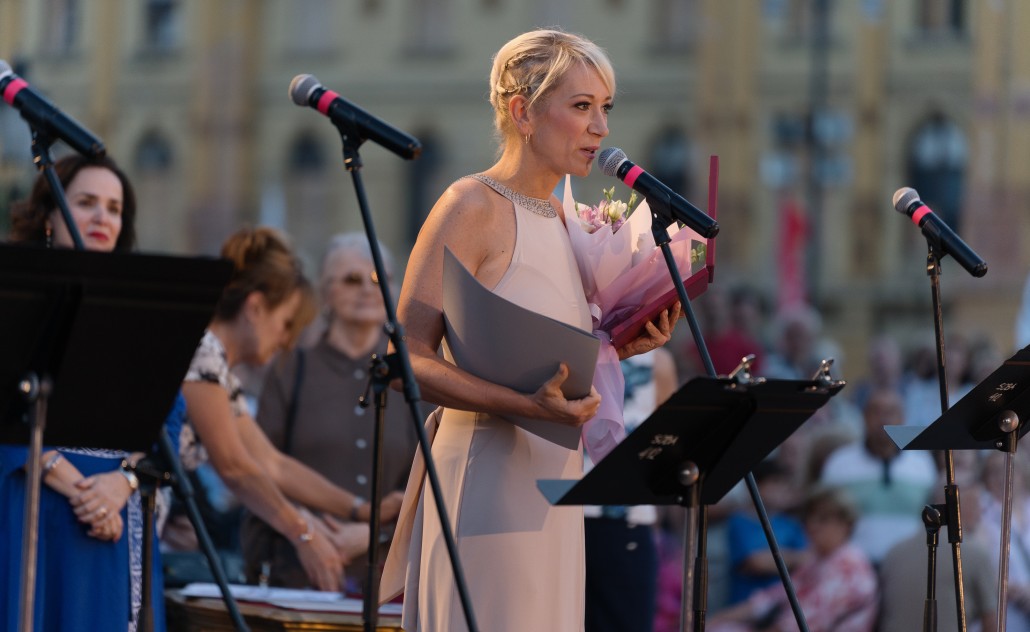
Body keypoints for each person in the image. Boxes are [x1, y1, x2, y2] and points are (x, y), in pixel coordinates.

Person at [380, 28, 679, 631]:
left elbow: (544, 355)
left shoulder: (567, 221)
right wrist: (521, 405)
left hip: (555, 488)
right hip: (485, 478)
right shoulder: (471, 205)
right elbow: (403, 358)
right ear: (522, 112)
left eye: (606, 108)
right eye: (581, 106)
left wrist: (621, 343)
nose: (601, 128)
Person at [174, 226, 406, 593]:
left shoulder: (220, 372)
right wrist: (305, 533)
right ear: (254, 309)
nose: (285, 339)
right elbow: (236, 467)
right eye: (284, 324)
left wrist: (362, 511)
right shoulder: (205, 354)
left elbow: (271, 462)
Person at [0, 154, 171, 631]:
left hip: (117, 523)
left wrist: (124, 482)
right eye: (87, 202)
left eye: (114, 208)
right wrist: (83, 492)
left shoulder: (143, 313)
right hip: (35, 506)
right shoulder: (13, 294)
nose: (103, 217)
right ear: (48, 217)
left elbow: (167, 417)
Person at [241, 232, 413, 595]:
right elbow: (257, 466)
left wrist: (372, 533)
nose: (368, 290)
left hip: (389, 584)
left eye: (380, 279)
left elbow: (432, 481)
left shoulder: (413, 378)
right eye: (352, 279)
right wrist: (306, 531)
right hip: (299, 576)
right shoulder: (291, 368)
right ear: (325, 292)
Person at [584, 347, 677, 632]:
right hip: (561, 516)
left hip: (625, 519)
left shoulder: (657, 362)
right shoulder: (559, 341)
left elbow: (666, 444)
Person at [707, 486, 878, 632]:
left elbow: (798, 625)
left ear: (846, 524)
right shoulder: (819, 559)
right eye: (809, 518)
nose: (812, 525)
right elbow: (773, 598)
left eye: (824, 519)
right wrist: (719, 618)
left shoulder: (848, 565)